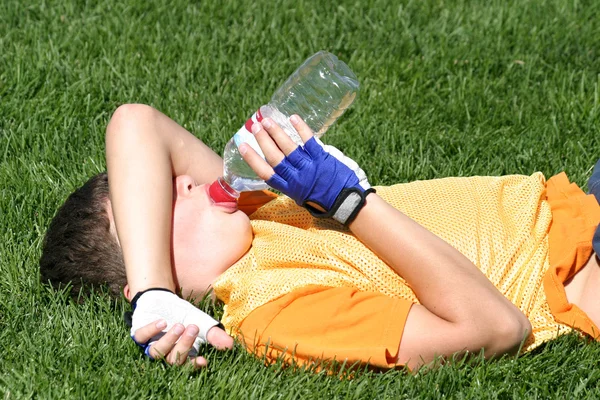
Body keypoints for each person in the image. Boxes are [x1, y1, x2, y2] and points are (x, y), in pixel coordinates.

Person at [40, 104, 600, 371]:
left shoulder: (257, 213)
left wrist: (152, 286)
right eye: (163, 199)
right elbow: (498, 327)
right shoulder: (272, 313)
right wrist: (351, 204)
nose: (185, 179)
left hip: (581, 200)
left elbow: (134, 122)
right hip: (582, 268)